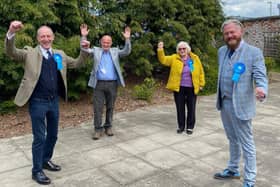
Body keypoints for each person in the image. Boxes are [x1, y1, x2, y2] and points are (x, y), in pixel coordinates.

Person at [4, 20, 88, 185]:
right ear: (38, 39)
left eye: (48, 36)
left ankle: (45, 160)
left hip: (53, 102)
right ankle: (36, 171)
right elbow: (11, 52)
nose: (46, 38)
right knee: (39, 138)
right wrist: (11, 32)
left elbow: (78, 63)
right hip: (37, 102)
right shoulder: (29, 53)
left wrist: (84, 49)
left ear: (53, 37)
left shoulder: (59, 54)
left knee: (53, 135)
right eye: (42, 36)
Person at [213, 19, 268, 187]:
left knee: (247, 143)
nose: (230, 36)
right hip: (224, 103)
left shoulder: (253, 52)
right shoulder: (222, 51)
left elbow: (260, 75)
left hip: (241, 105)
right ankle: (233, 169)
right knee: (232, 139)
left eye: (232, 32)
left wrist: (261, 88)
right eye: (226, 33)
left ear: (240, 32)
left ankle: (250, 180)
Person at [80, 24, 131, 140]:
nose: (106, 44)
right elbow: (84, 49)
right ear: (101, 42)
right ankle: (97, 129)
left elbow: (127, 51)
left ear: (111, 43)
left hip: (112, 84)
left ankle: (108, 126)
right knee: (97, 108)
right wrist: (83, 36)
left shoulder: (115, 51)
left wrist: (127, 39)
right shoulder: (96, 51)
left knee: (110, 106)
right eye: (104, 42)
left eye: (108, 42)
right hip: (98, 84)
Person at [157, 41, 205, 135]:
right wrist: (160, 49)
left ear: (187, 49)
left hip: (191, 87)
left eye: (184, 48)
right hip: (179, 88)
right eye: (180, 49)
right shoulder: (174, 58)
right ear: (178, 50)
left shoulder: (194, 59)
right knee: (180, 108)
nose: (182, 50)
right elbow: (163, 60)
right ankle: (181, 126)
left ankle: (190, 127)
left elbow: (200, 72)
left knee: (191, 108)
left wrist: (201, 84)